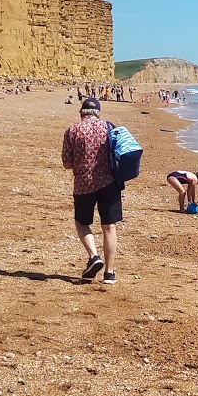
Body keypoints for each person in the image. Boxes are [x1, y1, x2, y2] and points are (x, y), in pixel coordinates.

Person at [62, 97, 123, 285]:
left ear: (82, 112)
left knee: (82, 222)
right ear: (98, 112)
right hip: (109, 183)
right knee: (109, 227)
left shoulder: (72, 131)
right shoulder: (109, 128)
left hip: (83, 184)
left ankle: (94, 255)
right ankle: (109, 273)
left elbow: (66, 163)